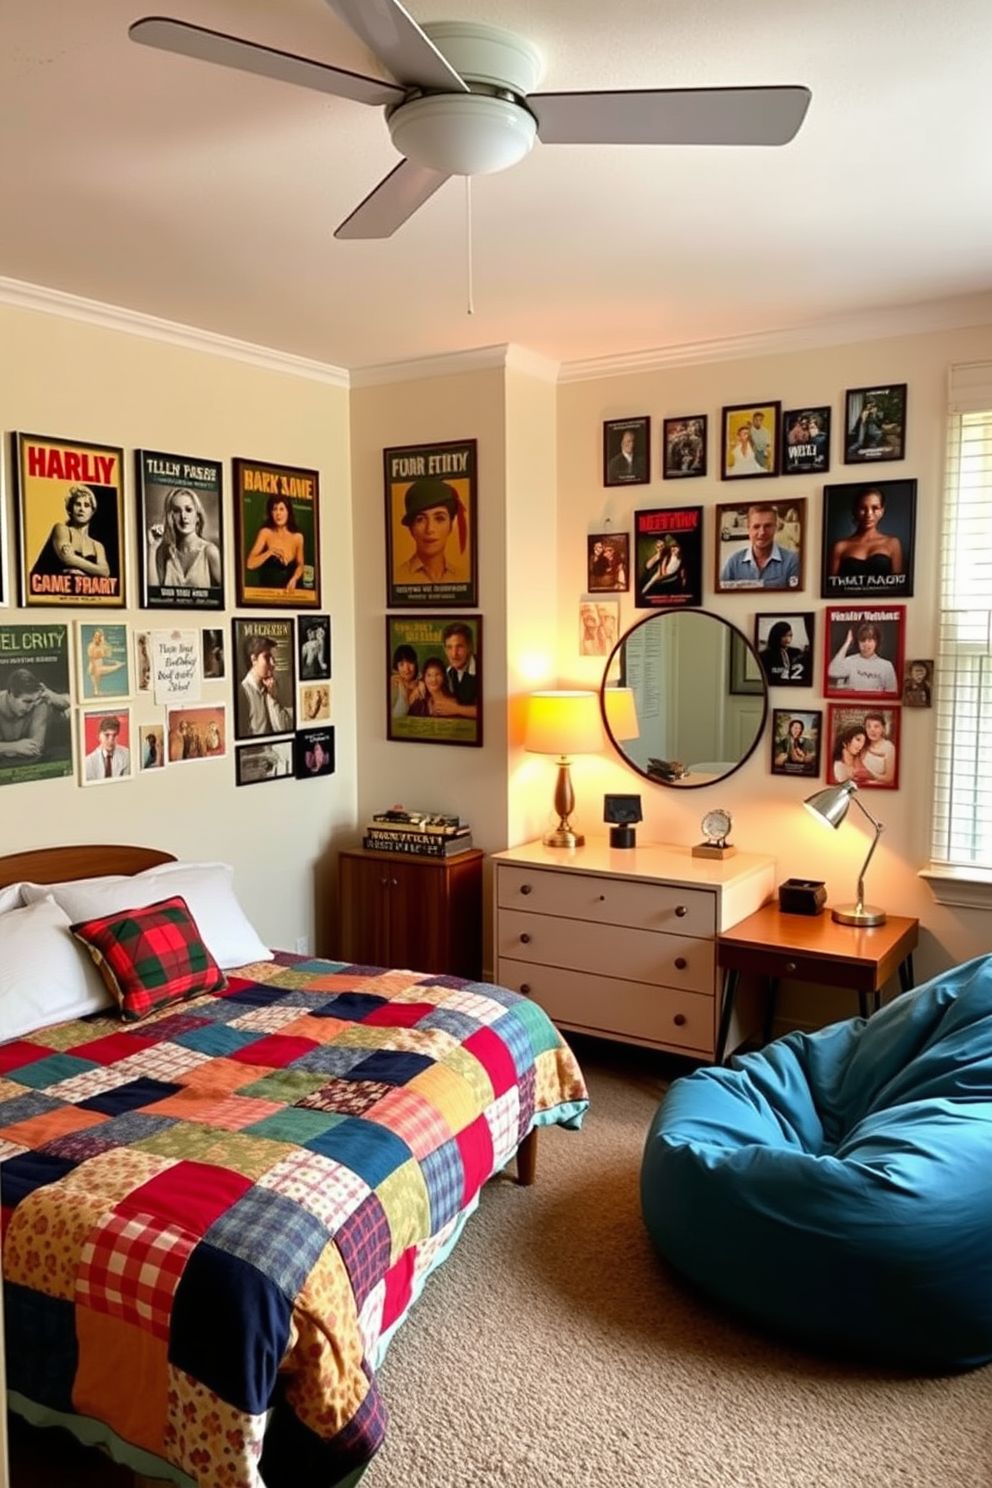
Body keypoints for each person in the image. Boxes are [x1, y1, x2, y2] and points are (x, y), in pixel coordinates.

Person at [29, 484, 111, 591]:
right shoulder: (61, 529)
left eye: (86, 505)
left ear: (92, 512)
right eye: (78, 504)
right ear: (70, 508)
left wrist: (81, 572)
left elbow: (105, 572)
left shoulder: (97, 546)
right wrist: (94, 570)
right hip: (50, 593)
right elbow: (67, 559)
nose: (82, 509)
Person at [147, 486, 222, 592]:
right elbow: (153, 595)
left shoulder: (210, 551)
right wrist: (152, 548)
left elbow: (227, 595)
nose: (183, 516)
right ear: (170, 517)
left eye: (189, 510)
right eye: (177, 511)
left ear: (198, 517)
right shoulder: (164, 553)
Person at [395, 478, 469, 584]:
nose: (430, 529)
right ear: (411, 529)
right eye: (420, 519)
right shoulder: (398, 578)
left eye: (439, 518)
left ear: (450, 527)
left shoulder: (462, 578)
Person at [828, 488, 904, 584]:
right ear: (854, 511)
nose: (868, 514)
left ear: (882, 511)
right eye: (862, 508)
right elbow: (830, 588)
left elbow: (898, 586)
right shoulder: (840, 546)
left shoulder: (893, 543)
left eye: (875, 508)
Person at [720, 504, 800, 589]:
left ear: (775, 528)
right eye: (756, 527)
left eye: (767, 526)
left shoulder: (791, 561)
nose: (762, 532)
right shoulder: (733, 563)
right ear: (749, 529)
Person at [0, 669, 71, 762]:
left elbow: (35, 748)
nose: (30, 707)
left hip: (59, 719)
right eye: (27, 701)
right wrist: (13, 747)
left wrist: (53, 696)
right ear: (10, 694)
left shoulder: (39, 703)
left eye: (34, 701)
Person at [245, 495, 306, 591]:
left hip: (290, 592)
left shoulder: (298, 537)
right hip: (268, 592)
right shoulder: (265, 533)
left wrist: (294, 578)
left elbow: (301, 565)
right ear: (271, 513)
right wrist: (269, 552)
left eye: (282, 509)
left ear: (288, 512)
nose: (278, 513)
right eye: (274, 509)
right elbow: (250, 564)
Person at [238, 635, 293, 736]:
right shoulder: (243, 692)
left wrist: (272, 698)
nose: (273, 663)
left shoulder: (274, 687)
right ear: (254, 659)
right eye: (267, 657)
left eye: (273, 658)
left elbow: (284, 729)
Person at [829, 622, 897, 694]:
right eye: (862, 640)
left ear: (876, 642)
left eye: (870, 640)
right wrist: (847, 642)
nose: (866, 644)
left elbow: (892, 693)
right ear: (858, 642)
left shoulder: (886, 666)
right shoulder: (851, 661)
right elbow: (832, 671)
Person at [84, 715, 130, 781]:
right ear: (99, 736)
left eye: (114, 735)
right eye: (107, 735)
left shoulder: (127, 755)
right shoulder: (88, 761)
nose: (111, 740)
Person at [86, 628, 126, 696]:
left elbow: (108, 653)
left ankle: (96, 690)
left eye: (99, 636)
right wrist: (93, 668)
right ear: (93, 637)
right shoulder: (91, 646)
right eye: (96, 636)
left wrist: (102, 642)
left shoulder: (102, 646)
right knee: (96, 674)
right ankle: (96, 690)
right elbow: (91, 658)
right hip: (94, 666)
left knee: (113, 667)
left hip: (99, 665)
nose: (97, 638)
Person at [863, 711, 896, 785]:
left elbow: (889, 778)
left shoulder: (889, 747)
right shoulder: (863, 745)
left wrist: (870, 775)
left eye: (876, 726)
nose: (872, 730)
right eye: (868, 726)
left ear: (883, 728)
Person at [390, 643, 421, 717]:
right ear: (396, 667)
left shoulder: (423, 682)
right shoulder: (392, 686)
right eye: (401, 664)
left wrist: (421, 683)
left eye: (410, 663)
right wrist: (402, 686)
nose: (406, 669)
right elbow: (397, 715)